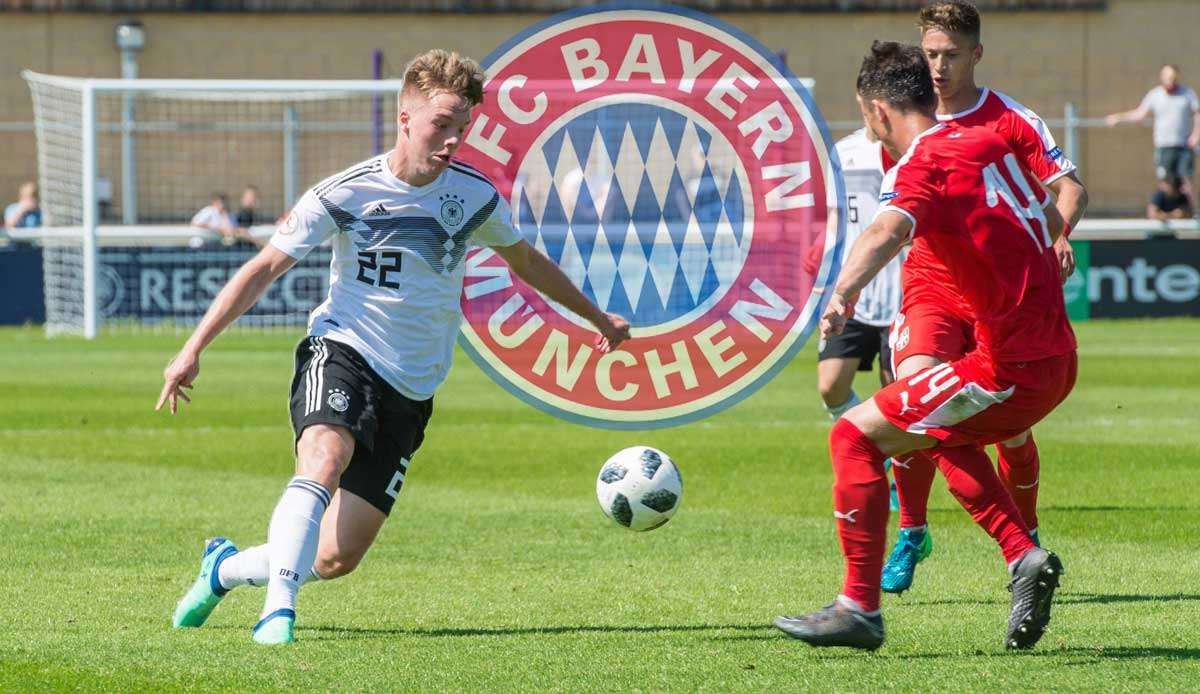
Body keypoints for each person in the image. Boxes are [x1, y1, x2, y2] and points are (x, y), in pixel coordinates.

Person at [159, 49, 631, 645]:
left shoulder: (474, 197)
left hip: (413, 386)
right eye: (442, 124)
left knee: (334, 557)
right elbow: (264, 268)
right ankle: (277, 612)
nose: (454, 140)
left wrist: (596, 318)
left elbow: (526, 261)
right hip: (344, 351)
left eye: (464, 128)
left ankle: (224, 569)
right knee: (323, 460)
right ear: (405, 117)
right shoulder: (345, 194)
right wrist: (193, 347)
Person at [773, 41, 1075, 651]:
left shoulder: (920, 164)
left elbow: (888, 228)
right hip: (1051, 351)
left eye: (865, 116)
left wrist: (843, 293)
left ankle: (858, 607)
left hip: (1005, 366)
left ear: (879, 110)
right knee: (933, 429)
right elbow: (1045, 214)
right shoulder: (989, 142)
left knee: (852, 435)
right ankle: (1022, 556)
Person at [879, 0, 1089, 596]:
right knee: (913, 398)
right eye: (929, 54)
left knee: (1011, 436)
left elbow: (1068, 188)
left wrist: (1058, 237)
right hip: (931, 291)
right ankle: (914, 530)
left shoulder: (1011, 120)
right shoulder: (905, 118)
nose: (937, 68)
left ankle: (1026, 540)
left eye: (949, 55)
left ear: (976, 53)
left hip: (1001, 301)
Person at [816, 127, 905, 511]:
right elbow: (835, 218)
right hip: (852, 291)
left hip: (903, 293)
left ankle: (901, 486)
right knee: (831, 386)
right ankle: (875, 449)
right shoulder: (843, 152)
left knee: (898, 397)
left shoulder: (911, 148)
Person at [1106, 64, 1200, 199]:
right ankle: (1167, 210)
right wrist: (1118, 117)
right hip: (1164, 145)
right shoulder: (1155, 95)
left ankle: (1192, 212)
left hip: (1184, 145)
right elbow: (1139, 114)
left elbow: (1197, 114)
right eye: (1168, 77)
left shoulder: (1187, 94)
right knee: (1166, 181)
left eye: (1173, 78)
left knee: (1186, 178)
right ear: (1162, 78)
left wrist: (1196, 135)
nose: (1171, 81)